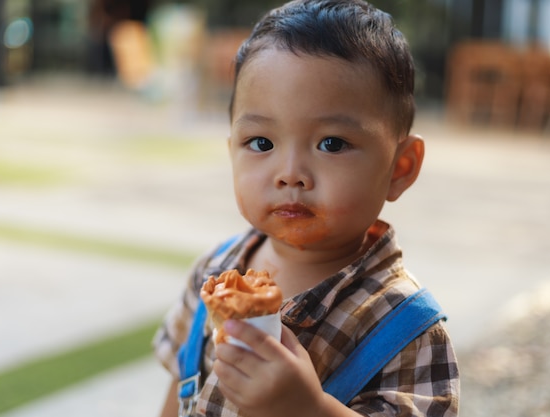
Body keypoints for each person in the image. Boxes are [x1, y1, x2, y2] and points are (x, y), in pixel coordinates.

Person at [152, 0, 460, 416]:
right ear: (232, 152)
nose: (290, 174)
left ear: (400, 168)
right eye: (261, 143)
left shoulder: (406, 328)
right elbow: (179, 394)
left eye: (331, 143)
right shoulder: (214, 274)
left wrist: (307, 408)